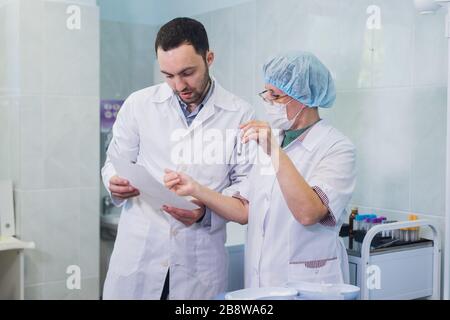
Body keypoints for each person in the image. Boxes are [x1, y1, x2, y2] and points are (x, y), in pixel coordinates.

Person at [164, 51, 357, 288]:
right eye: (266, 93)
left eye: (276, 96)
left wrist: (274, 151)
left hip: (310, 285)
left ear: (305, 97)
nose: (268, 101)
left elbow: (308, 213)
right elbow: (245, 210)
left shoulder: (336, 147)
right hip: (260, 283)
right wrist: (196, 188)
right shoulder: (272, 141)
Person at [101, 17, 255, 299]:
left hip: (199, 262)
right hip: (140, 255)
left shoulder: (239, 113)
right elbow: (114, 160)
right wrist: (114, 181)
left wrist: (204, 212)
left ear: (209, 58)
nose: (178, 85)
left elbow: (246, 189)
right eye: (168, 75)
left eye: (187, 72)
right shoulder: (139, 105)